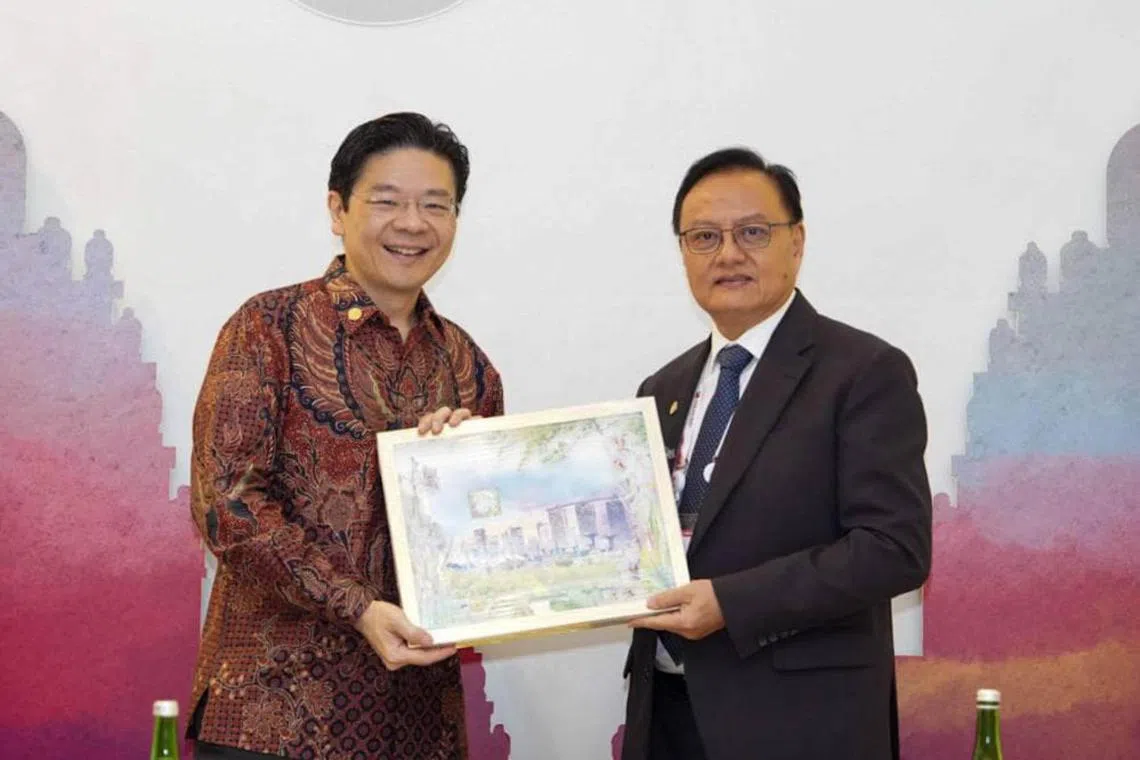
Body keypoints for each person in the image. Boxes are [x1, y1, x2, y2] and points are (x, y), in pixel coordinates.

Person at [187, 112, 503, 759]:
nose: (412, 223)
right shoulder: (266, 327)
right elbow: (227, 506)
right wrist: (357, 606)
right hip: (273, 716)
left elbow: (492, 538)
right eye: (387, 201)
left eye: (435, 205)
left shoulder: (469, 366)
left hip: (419, 727)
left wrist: (471, 474)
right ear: (338, 209)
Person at [622, 148, 933, 760]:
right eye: (704, 236)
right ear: (683, 252)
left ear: (797, 242)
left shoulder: (864, 372)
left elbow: (894, 549)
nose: (728, 254)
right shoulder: (660, 390)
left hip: (800, 723)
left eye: (753, 232)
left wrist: (731, 604)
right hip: (668, 715)